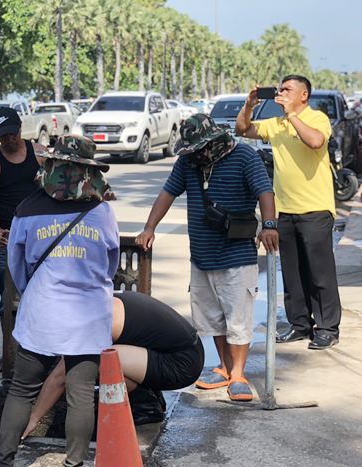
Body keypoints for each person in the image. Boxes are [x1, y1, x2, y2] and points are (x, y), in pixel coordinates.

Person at [0, 135, 120, 467]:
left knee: (21, 389)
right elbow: (111, 263)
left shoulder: (28, 209)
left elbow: (16, 266)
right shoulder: (102, 211)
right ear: (89, 172)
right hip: (88, 315)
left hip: (41, 313)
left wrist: (39, 290)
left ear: (51, 167)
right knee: (80, 393)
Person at [137, 114, 277, 402]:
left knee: (238, 317)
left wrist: (270, 225)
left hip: (236, 254)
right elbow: (167, 194)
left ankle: (238, 373)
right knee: (212, 317)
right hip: (201, 254)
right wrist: (150, 227)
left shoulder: (244, 157)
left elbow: (265, 192)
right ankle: (224, 367)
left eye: (200, 148)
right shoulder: (188, 162)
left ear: (213, 141)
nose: (197, 154)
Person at [236, 76, 342, 350]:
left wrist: (292, 116)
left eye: (287, 90)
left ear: (303, 95)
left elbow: (316, 142)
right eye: (279, 89)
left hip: (315, 209)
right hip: (284, 210)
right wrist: (249, 105)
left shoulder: (316, 118)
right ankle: (299, 325)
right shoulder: (276, 124)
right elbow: (242, 129)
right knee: (292, 273)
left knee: (320, 273)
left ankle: (328, 328)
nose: (281, 93)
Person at [22, 291, 205, 437]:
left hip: (182, 364)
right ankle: (149, 394)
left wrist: (34, 418)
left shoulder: (94, 324)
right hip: (175, 352)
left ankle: (146, 406)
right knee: (98, 359)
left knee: (94, 363)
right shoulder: (95, 303)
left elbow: (60, 377)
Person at [0, 107, 47, 373]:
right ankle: (9, 353)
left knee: (43, 295)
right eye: (2, 136)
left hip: (40, 238)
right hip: (8, 239)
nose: (8, 140)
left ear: (20, 129)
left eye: (12, 134)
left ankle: (42, 351)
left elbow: (53, 191)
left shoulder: (39, 153)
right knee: (8, 302)